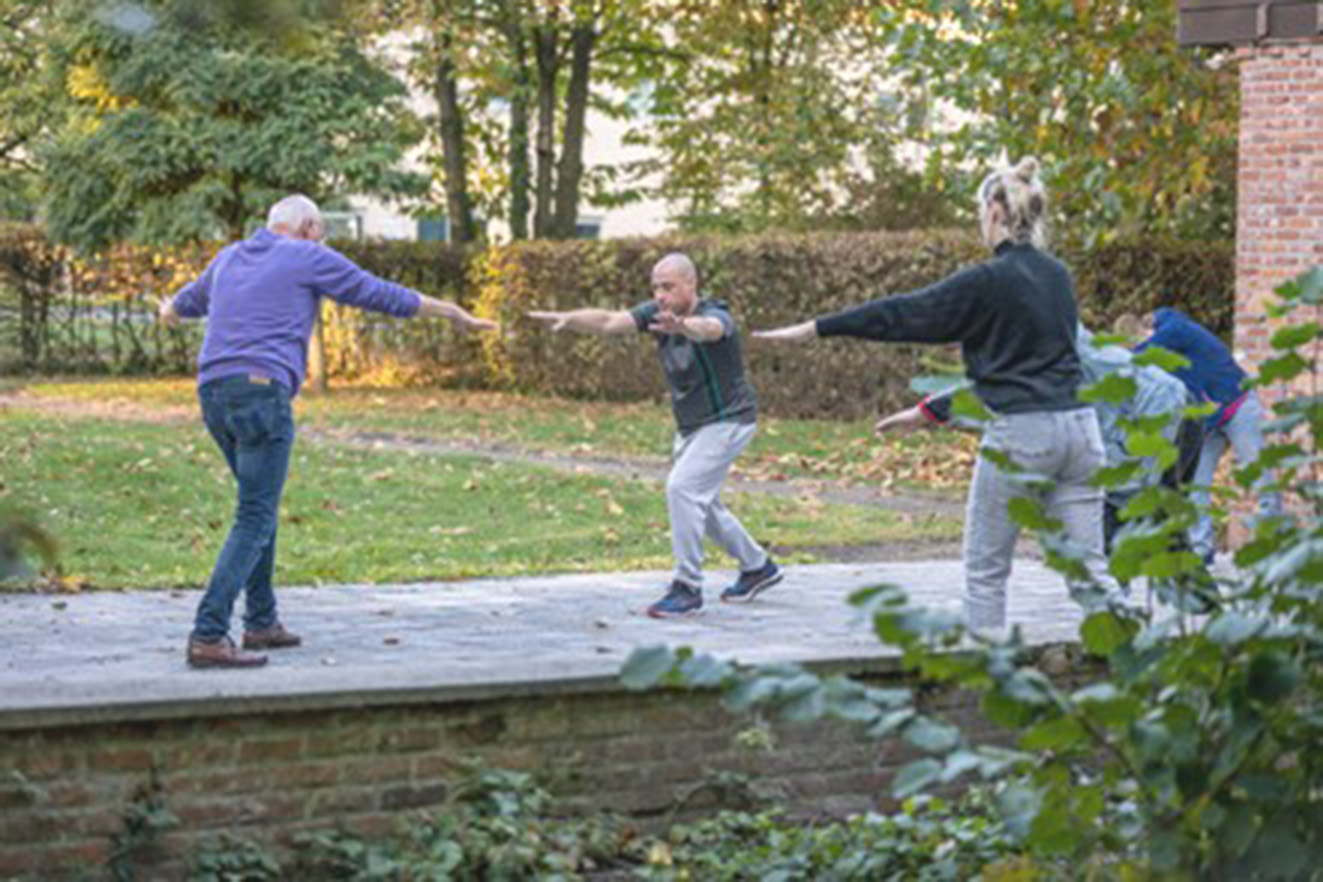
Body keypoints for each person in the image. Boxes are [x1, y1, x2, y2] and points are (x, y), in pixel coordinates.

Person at [755, 157, 1121, 631]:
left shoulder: (988, 280)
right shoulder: (1057, 276)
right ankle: (1147, 663)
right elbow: (1030, 368)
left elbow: (904, 313)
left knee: (986, 573)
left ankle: (990, 688)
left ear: (994, 210)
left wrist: (816, 328)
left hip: (1024, 436)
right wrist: (928, 412)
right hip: (1081, 432)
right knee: (1091, 573)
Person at [159, 194, 497, 668]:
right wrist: (453, 313)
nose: (323, 238)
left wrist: (167, 311)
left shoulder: (229, 256)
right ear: (310, 226)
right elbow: (382, 293)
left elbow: (184, 303)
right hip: (261, 392)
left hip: (214, 392)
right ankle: (209, 634)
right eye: (321, 231)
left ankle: (260, 622)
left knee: (259, 505)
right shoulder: (308, 255)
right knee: (255, 513)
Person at [527, 253, 781, 619]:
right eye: (655, 288)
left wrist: (685, 327)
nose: (660, 295)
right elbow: (611, 321)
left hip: (729, 420)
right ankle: (757, 566)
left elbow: (712, 329)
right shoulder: (655, 314)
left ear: (690, 285)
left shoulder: (716, 313)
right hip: (694, 426)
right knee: (703, 504)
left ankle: (687, 588)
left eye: (668, 287)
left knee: (682, 490)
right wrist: (570, 319)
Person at [882, 325, 1196, 552]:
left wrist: (1135, 471)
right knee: (1159, 524)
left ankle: (1114, 624)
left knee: (1114, 515)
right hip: (1154, 420)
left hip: (1172, 415)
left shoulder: (1062, 345)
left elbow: (1166, 394)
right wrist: (925, 412)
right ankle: (1206, 613)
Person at [1121, 308, 1282, 562]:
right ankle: (1201, 549)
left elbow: (1138, 356)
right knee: (1197, 483)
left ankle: (1272, 543)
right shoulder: (1167, 354)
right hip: (1207, 420)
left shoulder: (1176, 330)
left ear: (1148, 330)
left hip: (1238, 405)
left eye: (1139, 339)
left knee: (1259, 472)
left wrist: (1112, 355)